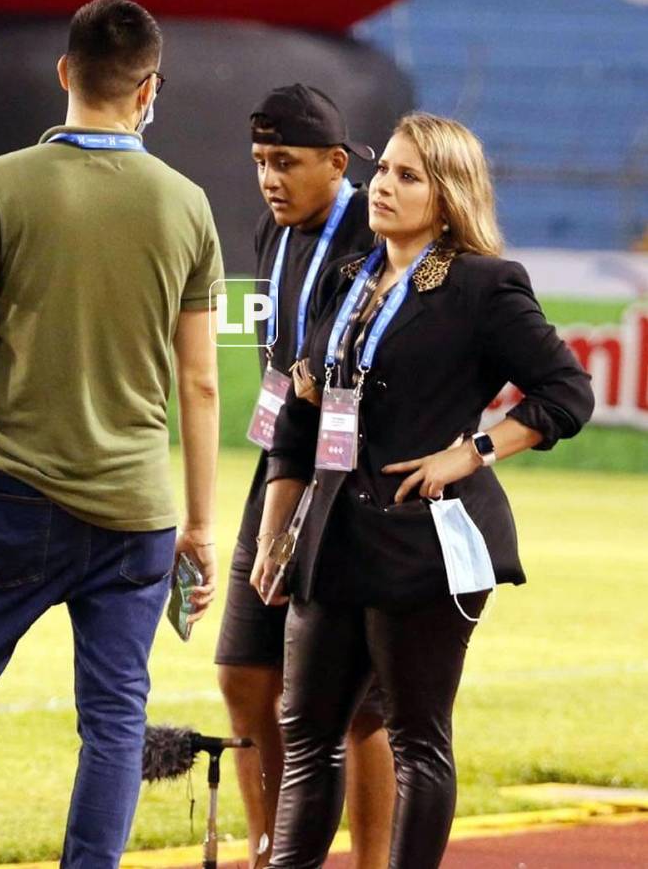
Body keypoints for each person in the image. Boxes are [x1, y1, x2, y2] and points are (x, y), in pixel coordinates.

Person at [0, 0, 223, 869]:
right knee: (114, 723)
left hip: (13, 504)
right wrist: (203, 526)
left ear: (64, 72)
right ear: (150, 89)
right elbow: (201, 382)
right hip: (136, 516)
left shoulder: (0, 184)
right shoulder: (187, 206)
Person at [250, 112, 595, 868]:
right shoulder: (350, 278)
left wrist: (471, 451)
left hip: (425, 544)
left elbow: (566, 393)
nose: (384, 187)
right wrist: (278, 529)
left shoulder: (482, 283)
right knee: (305, 730)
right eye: (383, 172)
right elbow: (307, 410)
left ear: (447, 195)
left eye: (408, 176)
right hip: (332, 534)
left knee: (415, 741)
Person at [215, 84, 395, 869]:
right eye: (259, 161)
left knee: (358, 706)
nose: (268, 178)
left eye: (284, 162)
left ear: (336, 160)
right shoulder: (272, 230)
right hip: (280, 464)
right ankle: (273, 853)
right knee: (243, 673)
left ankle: (374, 860)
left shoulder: (378, 229)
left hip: (357, 484)